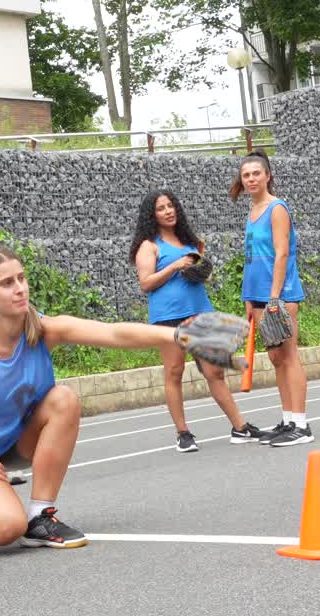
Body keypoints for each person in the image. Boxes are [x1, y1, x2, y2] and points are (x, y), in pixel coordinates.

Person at [0, 248, 247, 554]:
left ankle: (40, 516)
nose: (20, 288)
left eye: (22, 278)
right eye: (7, 283)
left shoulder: (43, 330)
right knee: (4, 529)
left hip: (13, 443)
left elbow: (113, 333)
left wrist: (178, 335)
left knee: (63, 399)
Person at [130, 189, 264, 452]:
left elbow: (196, 273)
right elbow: (145, 283)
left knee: (214, 371)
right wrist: (174, 266)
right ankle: (183, 433)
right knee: (175, 371)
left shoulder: (188, 240)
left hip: (199, 311)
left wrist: (199, 270)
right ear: (151, 215)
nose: (168, 211)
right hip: (168, 316)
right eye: (161, 208)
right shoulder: (149, 245)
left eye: (171, 206)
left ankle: (239, 427)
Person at [230, 151, 312, 447]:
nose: (251, 179)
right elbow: (251, 260)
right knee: (277, 359)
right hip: (259, 297)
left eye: (256, 173)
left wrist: (274, 297)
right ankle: (288, 419)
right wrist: (249, 300)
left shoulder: (277, 208)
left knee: (289, 357)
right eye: (246, 175)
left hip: (281, 295)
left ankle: (301, 425)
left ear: (268, 176)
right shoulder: (251, 214)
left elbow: (282, 253)